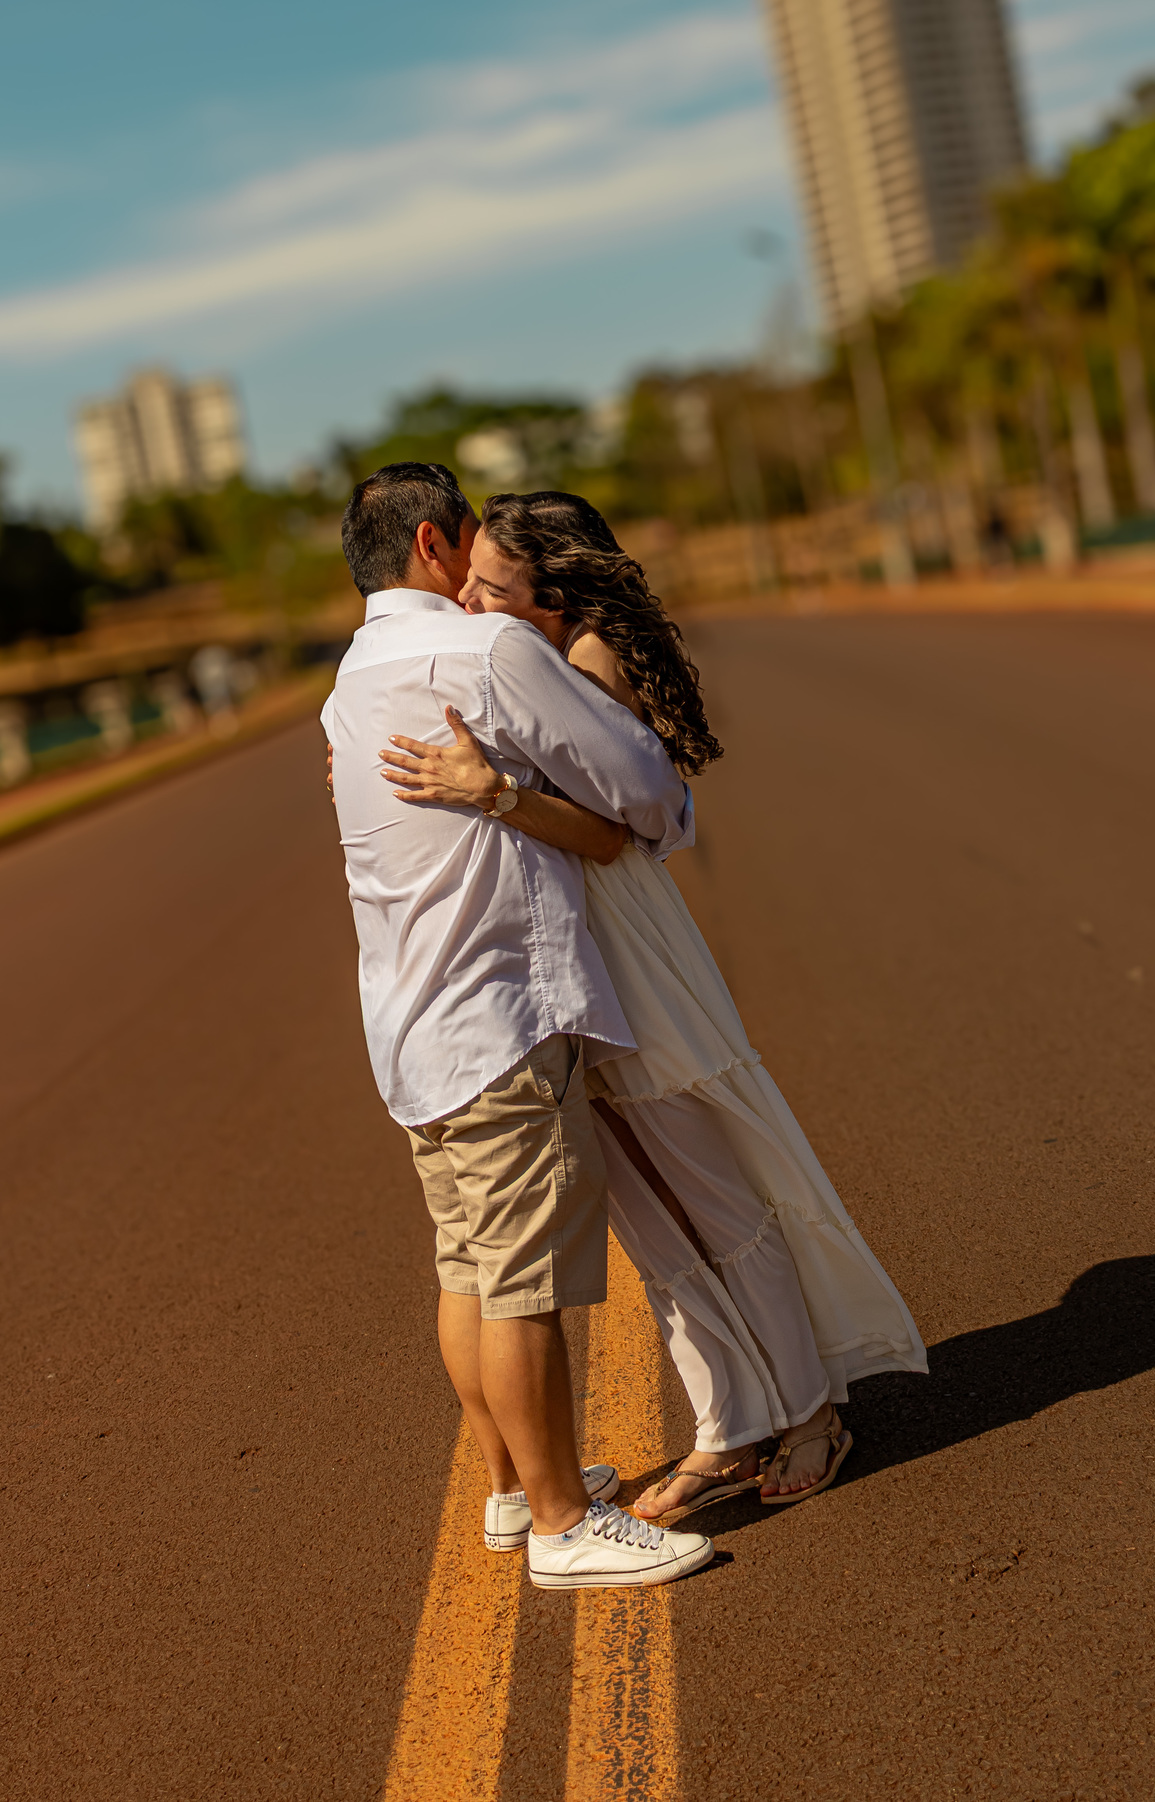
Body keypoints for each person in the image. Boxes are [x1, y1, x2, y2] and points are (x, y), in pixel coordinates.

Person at [376, 489, 928, 1525]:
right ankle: (731, 1419)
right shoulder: (514, 653)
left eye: (495, 590)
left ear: (559, 595)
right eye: (469, 585)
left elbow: (613, 830)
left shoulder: (588, 665)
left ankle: (807, 1405)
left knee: (709, 1186)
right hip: (558, 958)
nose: (472, 604)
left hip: (623, 943)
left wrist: (488, 788)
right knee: (648, 1213)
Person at [321, 463, 715, 1588]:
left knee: (469, 1266)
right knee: (525, 1280)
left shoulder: (348, 682)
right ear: (438, 546)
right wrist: (653, 808)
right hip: (495, 1009)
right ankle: (560, 1525)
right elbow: (636, 777)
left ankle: (509, 1490)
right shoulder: (483, 654)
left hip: (407, 1020)